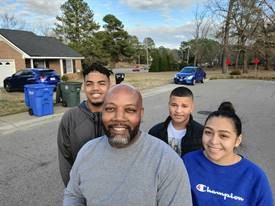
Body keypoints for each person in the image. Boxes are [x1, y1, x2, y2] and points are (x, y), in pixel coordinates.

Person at [63, 84, 192, 206]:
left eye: (129, 110)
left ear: (141, 114)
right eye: (110, 109)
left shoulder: (167, 161)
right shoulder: (86, 152)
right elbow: (73, 195)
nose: (119, 118)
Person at [182, 102, 274, 205]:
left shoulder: (255, 176)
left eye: (223, 136)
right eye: (208, 132)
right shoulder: (188, 162)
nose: (213, 141)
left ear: (237, 140)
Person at [57, 63, 113, 186]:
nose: (95, 88)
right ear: (84, 87)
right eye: (89, 84)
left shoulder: (118, 116)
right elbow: (65, 160)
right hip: (83, 191)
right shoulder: (70, 118)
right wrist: (74, 192)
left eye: (101, 83)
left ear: (109, 86)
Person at [148, 86, 203, 156]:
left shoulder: (201, 134)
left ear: (192, 108)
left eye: (184, 106)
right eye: (174, 105)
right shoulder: (155, 132)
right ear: (169, 105)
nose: (178, 111)